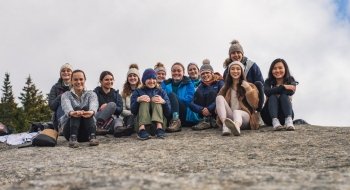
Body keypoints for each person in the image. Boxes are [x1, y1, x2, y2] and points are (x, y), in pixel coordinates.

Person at [216, 61, 259, 136]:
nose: (235, 71)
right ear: (229, 72)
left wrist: (248, 89)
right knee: (219, 98)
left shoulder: (250, 86)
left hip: (245, 118)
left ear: (242, 71)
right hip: (231, 118)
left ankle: (237, 127)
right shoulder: (225, 87)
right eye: (232, 69)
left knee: (237, 111)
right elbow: (218, 106)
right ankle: (225, 125)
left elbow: (255, 105)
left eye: (238, 69)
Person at [59, 69, 99, 148]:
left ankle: (92, 136)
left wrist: (91, 112)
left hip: (87, 131)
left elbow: (94, 104)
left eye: (81, 79)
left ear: (85, 80)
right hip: (69, 131)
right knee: (77, 108)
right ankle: (73, 138)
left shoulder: (91, 94)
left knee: (86, 108)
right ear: (71, 81)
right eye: (75, 79)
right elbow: (67, 107)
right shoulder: (65, 95)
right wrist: (72, 113)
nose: (78, 82)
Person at [223, 40, 265, 111]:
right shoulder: (227, 70)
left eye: (238, 52)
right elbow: (225, 86)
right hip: (235, 96)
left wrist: (250, 88)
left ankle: (258, 110)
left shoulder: (252, 66)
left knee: (259, 84)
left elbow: (261, 82)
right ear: (230, 56)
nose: (236, 55)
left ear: (242, 54)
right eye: (233, 53)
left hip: (250, 95)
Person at [131, 69, 171, 140]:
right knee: (144, 100)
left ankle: (159, 128)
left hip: (159, 125)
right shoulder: (137, 92)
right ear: (144, 80)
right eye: (149, 78)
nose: (152, 81)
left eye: (154, 78)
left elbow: (168, 113)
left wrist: (163, 102)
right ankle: (142, 129)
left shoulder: (161, 92)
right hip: (141, 125)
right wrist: (138, 100)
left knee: (156, 99)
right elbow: (133, 111)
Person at [261, 58, 298, 131]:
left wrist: (276, 90)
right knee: (272, 96)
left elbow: (291, 91)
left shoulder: (290, 80)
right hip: (269, 116)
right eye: (275, 68)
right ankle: (275, 121)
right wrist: (283, 87)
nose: (277, 70)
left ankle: (289, 121)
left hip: (284, 115)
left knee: (284, 96)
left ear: (285, 69)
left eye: (280, 68)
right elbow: (267, 92)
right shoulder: (268, 81)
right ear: (271, 71)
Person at [162, 62, 200, 132]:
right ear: (171, 72)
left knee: (172, 95)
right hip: (168, 111)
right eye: (174, 71)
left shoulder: (188, 83)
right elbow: (161, 97)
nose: (176, 73)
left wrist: (175, 100)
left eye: (179, 71)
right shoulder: (165, 83)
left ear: (183, 72)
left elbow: (189, 100)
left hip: (184, 112)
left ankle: (176, 120)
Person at [190, 59, 224, 130]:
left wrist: (209, 109)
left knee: (212, 93)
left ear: (212, 73)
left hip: (216, 111)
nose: (205, 75)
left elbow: (222, 96)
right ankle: (206, 120)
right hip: (204, 113)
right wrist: (202, 109)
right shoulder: (200, 86)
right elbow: (192, 103)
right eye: (202, 74)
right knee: (197, 95)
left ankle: (214, 120)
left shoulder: (219, 82)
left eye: (207, 73)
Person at [93, 71, 123, 135]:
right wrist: (102, 108)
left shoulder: (117, 94)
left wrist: (108, 106)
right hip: (98, 117)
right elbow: (92, 107)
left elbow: (120, 110)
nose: (109, 82)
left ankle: (118, 130)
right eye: (106, 80)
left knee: (118, 120)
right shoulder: (95, 93)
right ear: (101, 81)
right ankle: (98, 126)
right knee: (112, 104)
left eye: (111, 79)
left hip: (110, 121)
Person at [48, 63, 73, 131]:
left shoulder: (77, 85)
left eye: (68, 70)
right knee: (63, 100)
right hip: (59, 117)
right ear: (60, 74)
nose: (66, 72)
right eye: (63, 71)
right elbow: (52, 106)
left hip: (75, 115)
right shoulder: (55, 87)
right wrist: (61, 97)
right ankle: (62, 126)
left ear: (72, 73)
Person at [121, 64, 142, 134]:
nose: (132, 78)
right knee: (129, 117)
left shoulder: (143, 90)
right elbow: (122, 110)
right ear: (127, 79)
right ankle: (129, 128)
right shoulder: (124, 93)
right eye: (130, 76)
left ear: (138, 78)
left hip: (141, 115)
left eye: (134, 76)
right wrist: (132, 113)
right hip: (129, 116)